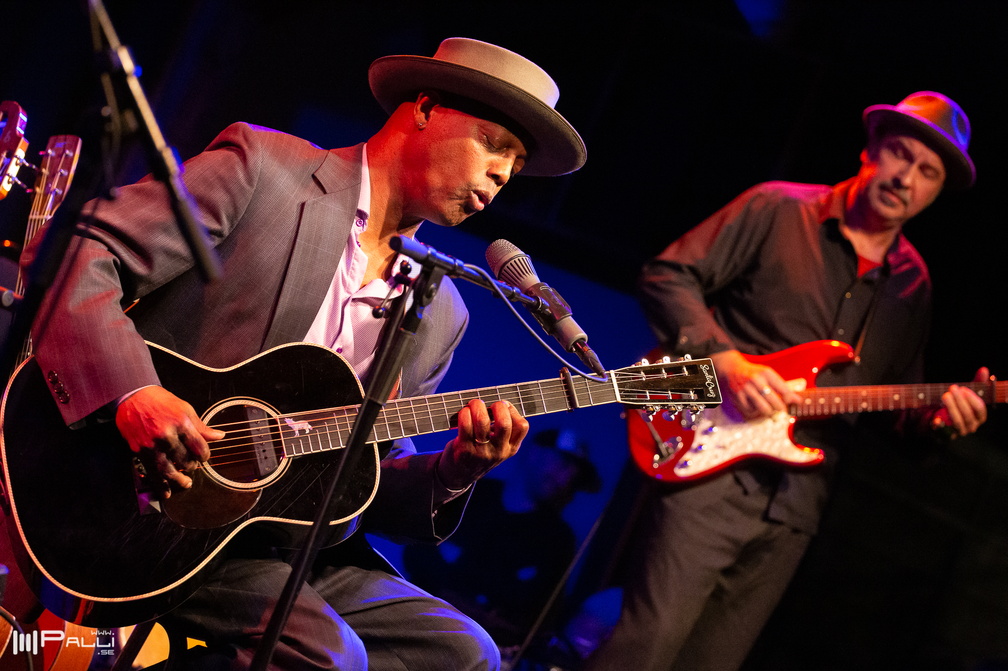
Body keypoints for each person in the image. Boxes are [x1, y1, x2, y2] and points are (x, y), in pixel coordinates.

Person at [22, 37, 586, 670]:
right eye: (494, 143)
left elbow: (369, 480)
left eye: (515, 162)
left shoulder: (441, 312)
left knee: (464, 654)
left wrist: (455, 469)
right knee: (329, 656)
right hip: (139, 502)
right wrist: (134, 392)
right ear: (425, 108)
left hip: (281, 541)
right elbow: (86, 255)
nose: (504, 174)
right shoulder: (266, 169)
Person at [583, 91, 989, 671]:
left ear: (935, 193)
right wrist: (727, 360)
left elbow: (899, 417)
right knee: (645, 650)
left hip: (798, 506)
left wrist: (941, 425)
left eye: (928, 173)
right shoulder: (778, 210)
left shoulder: (913, 285)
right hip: (708, 472)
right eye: (901, 155)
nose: (907, 178)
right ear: (870, 151)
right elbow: (667, 275)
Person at [402, 427, 601, 653]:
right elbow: (416, 552)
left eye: (574, 475)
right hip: (414, 619)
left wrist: (455, 578)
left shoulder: (557, 539)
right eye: (563, 464)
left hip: (476, 648)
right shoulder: (473, 493)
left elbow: (534, 614)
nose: (565, 479)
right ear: (535, 452)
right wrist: (478, 603)